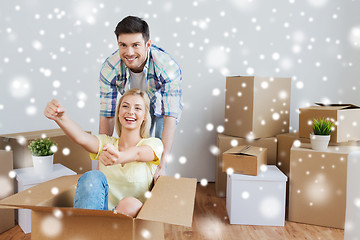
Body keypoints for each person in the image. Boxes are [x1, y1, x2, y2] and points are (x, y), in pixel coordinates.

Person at [44, 88, 164, 217]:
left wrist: (119, 157)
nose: (130, 112)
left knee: (130, 203)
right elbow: (82, 138)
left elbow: (138, 153)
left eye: (137, 108)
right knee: (92, 176)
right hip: (100, 216)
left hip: (132, 223)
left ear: (145, 115)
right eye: (125, 106)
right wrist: (61, 118)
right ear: (118, 112)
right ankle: (85, 230)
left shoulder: (154, 144)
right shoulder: (107, 143)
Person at [99, 16, 182, 181]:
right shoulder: (110, 68)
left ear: (147, 44)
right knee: (128, 141)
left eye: (136, 45)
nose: (129, 52)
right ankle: (130, 181)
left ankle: (153, 184)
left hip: (158, 107)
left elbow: (169, 117)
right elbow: (107, 114)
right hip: (131, 102)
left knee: (155, 150)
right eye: (123, 45)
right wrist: (102, 161)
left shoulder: (167, 67)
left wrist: (162, 165)